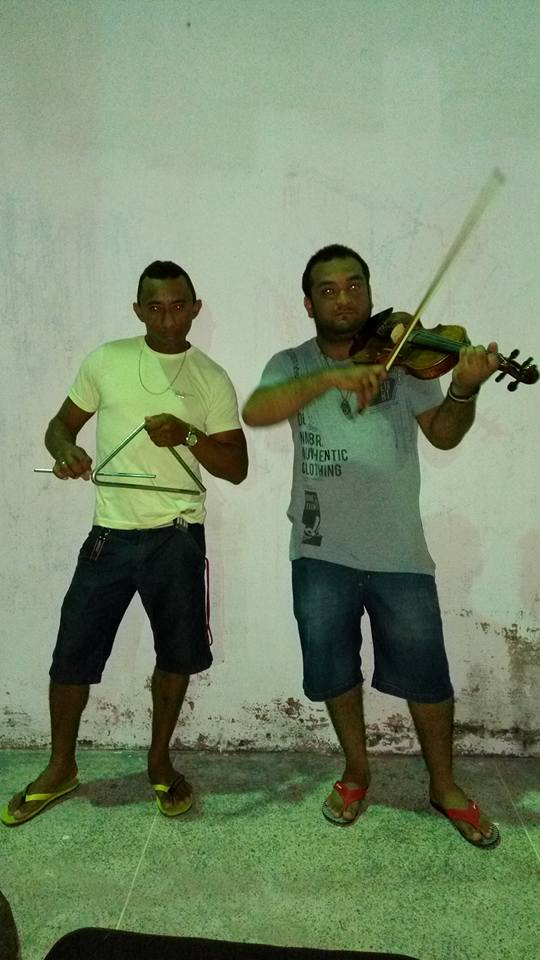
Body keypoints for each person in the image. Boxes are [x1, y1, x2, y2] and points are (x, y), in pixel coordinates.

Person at [242, 243, 500, 848]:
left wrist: (463, 391)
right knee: (335, 672)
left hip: (399, 551)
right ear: (309, 303)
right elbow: (257, 410)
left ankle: (444, 785)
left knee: (427, 677)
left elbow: (443, 435)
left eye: (354, 285)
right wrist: (333, 376)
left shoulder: (405, 361)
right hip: (319, 551)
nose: (344, 298)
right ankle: (357, 773)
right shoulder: (292, 363)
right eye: (328, 289)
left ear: (369, 291)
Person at [2, 260, 248, 826]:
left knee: (177, 656)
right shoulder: (106, 360)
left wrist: (187, 435)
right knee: (71, 655)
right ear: (138, 310)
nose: (168, 319)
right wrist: (66, 451)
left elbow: (235, 468)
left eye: (179, 306)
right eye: (155, 307)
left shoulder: (210, 377)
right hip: (109, 534)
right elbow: (59, 426)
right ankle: (60, 767)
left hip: (177, 537)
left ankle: (159, 762)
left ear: (196, 308)